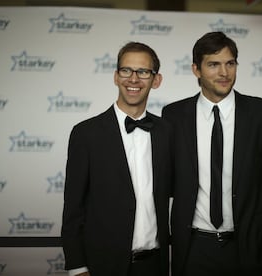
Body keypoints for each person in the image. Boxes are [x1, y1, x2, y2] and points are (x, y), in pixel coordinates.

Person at [162, 31, 262, 276]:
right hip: (193, 250)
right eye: (213, 64)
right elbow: (166, 182)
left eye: (230, 63)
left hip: (250, 250)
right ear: (196, 69)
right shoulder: (174, 116)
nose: (224, 73)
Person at [61, 42, 172, 276]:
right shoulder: (86, 134)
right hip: (102, 266)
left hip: (155, 266)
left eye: (143, 72)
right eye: (126, 70)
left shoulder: (167, 132)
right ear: (115, 76)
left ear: (156, 80)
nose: (133, 79)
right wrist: (77, 266)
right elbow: (73, 208)